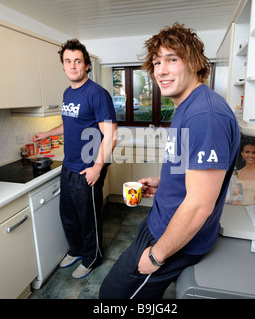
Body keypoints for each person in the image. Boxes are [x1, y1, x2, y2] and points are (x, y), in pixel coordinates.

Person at [99, 23, 240, 299]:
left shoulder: (205, 116)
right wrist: (164, 184)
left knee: (112, 298)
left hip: (173, 241)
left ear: (195, 63)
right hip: (159, 223)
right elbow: (191, 175)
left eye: (171, 59)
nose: (160, 70)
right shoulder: (187, 106)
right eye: (156, 62)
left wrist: (156, 255)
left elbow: (199, 205)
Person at [34, 39, 117, 279]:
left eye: (77, 61)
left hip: (88, 167)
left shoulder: (97, 94)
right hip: (69, 165)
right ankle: (78, 250)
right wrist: (47, 134)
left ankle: (92, 257)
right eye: (68, 61)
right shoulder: (68, 93)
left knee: (88, 217)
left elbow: (111, 136)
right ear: (63, 66)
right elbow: (70, 123)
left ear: (87, 66)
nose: (72, 65)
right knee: (69, 215)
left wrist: (97, 168)